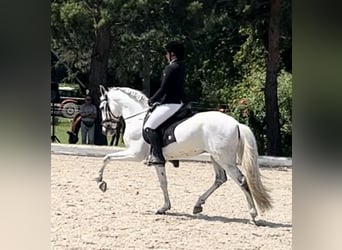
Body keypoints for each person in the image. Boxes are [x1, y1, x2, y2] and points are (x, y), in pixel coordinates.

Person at [143, 41, 187, 165]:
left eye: (167, 53)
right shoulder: (181, 66)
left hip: (172, 103)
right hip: (179, 102)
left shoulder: (171, 68)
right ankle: (173, 155)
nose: (165, 56)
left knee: (150, 127)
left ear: (172, 54)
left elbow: (164, 88)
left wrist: (152, 100)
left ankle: (158, 156)